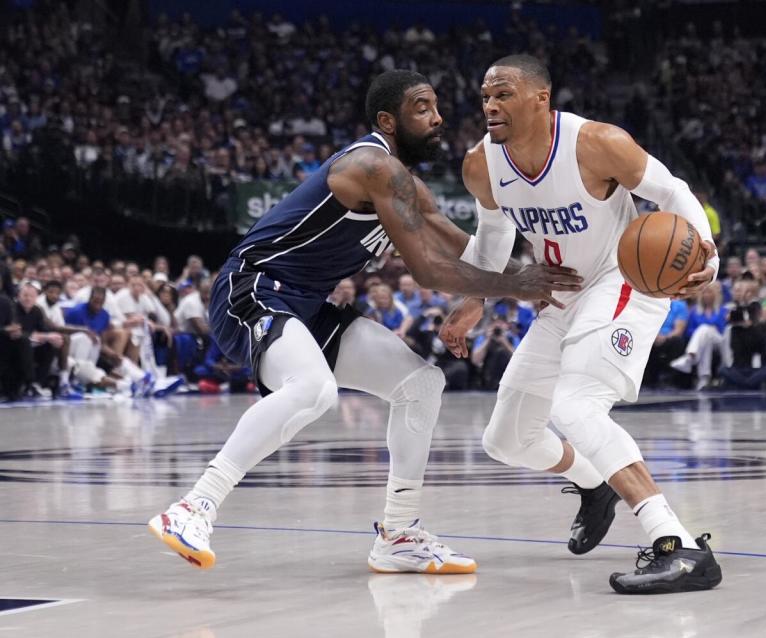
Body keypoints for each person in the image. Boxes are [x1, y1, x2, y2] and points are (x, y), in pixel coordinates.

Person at [148, 70, 581, 574]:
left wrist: (553, 277)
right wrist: (519, 286)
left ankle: (398, 534)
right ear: (387, 120)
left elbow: (464, 249)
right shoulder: (374, 165)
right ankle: (195, 506)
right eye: (422, 108)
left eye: (437, 106)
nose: (438, 117)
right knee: (313, 390)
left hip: (306, 306)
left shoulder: (408, 185)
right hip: (253, 289)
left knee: (421, 384)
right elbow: (426, 269)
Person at [440, 55, 721, 593]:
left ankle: (677, 544)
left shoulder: (595, 142)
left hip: (624, 277)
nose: (491, 105)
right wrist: (477, 298)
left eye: (503, 94)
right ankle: (596, 485)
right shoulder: (481, 164)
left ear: (541, 98)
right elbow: (495, 235)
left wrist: (707, 253)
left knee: (575, 405)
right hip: (561, 293)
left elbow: (671, 191)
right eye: (485, 97)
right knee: (507, 439)